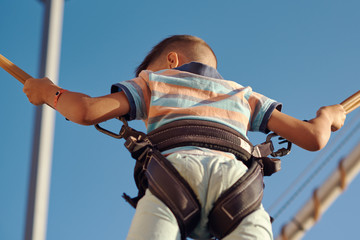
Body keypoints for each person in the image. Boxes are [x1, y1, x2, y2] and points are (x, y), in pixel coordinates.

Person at [23, 35, 346, 240]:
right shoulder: (245, 96)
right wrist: (329, 116)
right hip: (239, 190)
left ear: (171, 61)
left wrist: (47, 91)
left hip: (173, 180)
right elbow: (313, 138)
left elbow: (86, 110)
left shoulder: (155, 82)